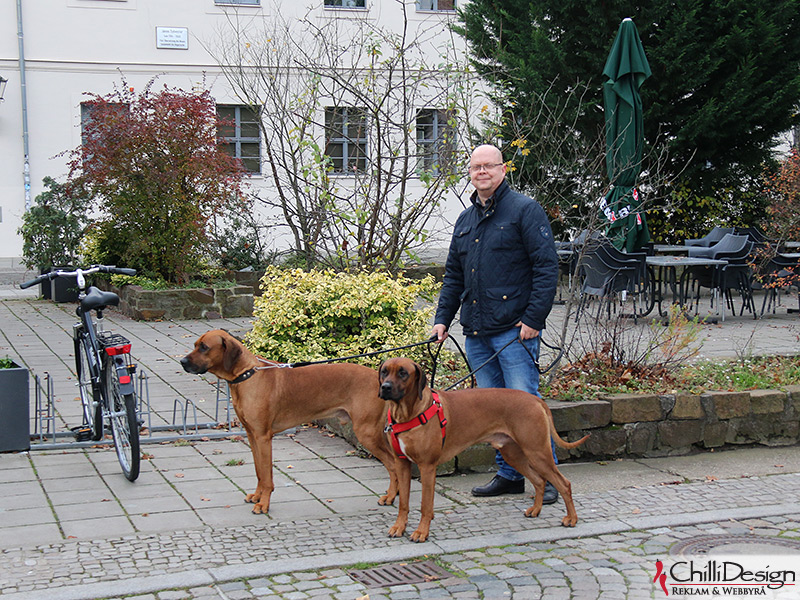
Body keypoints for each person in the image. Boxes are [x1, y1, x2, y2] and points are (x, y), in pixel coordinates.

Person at [432, 143, 561, 503]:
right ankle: (510, 475)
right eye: (476, 167)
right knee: (491, 415)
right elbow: (454, 276)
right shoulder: (465, 219)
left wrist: (534, 318)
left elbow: (546, 267)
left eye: (489, 166)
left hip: (515, 331)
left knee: (525, 407)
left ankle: (547, 478)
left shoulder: (525, 210)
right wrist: (442, 320)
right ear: (470, 173)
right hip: (476, 332)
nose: (482, 172)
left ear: (504, 170)